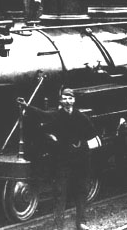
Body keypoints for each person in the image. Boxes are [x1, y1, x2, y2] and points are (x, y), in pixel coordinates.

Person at [17, 88, 96, 230]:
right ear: (61, 101)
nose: (67, 101)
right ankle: (58, 225)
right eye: (65, 98)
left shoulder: (81, 116)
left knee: (81, 191)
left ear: (74, 100)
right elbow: (41, 115)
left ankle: (81, 222)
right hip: (63, 160)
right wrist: (26, 106)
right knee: (60, 192)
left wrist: (82, 143)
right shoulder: (56, 115)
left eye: (70, 98)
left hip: (81, 159)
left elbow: (91, 133)